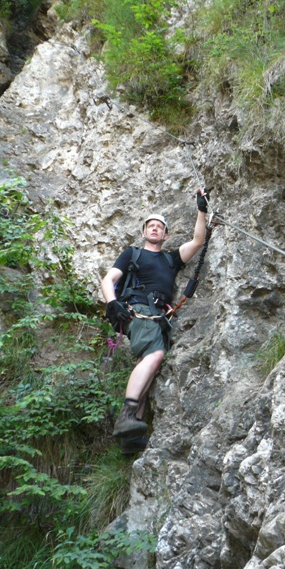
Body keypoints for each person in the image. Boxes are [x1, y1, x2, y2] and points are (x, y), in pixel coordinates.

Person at [101, 188, 210, 453]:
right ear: (143, 232)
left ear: (166, 235)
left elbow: (197, 241)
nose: (154, 229)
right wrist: (112, 302)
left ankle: (132, 435)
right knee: (156, 353)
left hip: (157, 316)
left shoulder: (171, 259)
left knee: (145, 362)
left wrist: (201, 209)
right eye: (150, 226)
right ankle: (126, 415)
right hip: (137, 310)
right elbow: (109, 280)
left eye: (159, 227)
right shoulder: (133, 254)